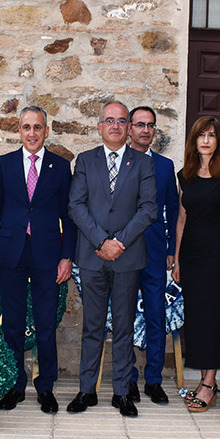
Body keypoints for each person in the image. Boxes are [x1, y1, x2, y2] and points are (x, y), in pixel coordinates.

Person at [0, 105, 77, 414]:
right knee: (11, 323)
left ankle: (46, 386)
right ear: (19, 131)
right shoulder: (5, 164)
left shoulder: (60, 168)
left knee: (45, 321)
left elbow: (69, 215)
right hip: (10, 251)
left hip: (48, 253)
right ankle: (15, 385)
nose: (32, 133)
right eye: (26, 127)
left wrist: (67, 257)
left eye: (38, 127)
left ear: (46, 131)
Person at [67, 100, 157, 418]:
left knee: (123, 327)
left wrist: (118, 242)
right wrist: (102, 241)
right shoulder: (86, 160)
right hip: (93, 256)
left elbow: (148, 208)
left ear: (129, 127)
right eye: (110, 120)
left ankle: (121, 392)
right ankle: (87, 390)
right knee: (92, 326)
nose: (116, 126)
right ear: (99, 126)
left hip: (127, 256)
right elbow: (76, 205)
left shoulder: (143, 164)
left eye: (122, 121)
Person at [172, 115, 220, 413]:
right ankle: (206, 378)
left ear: (218, 141)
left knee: (213, 317)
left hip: (217, 254)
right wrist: (178, 259)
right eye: (200, 135)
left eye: (211, 135)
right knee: (195, 317)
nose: (206, 140)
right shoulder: (186, 175)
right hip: (192, 256)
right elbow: (181, 219)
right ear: (193, 141)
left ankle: (209, 382)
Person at [126, 105, 178, 405]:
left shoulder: (164, 166)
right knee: (126, 318)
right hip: (125, 251)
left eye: (150, 125)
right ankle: (129, 378)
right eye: (140, 124)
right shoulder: (119, 163)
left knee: (156, 316)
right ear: (130, 128)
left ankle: (154, 379)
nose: (146, 130)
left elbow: (172, 207)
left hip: (156, 252)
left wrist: (172, 249)